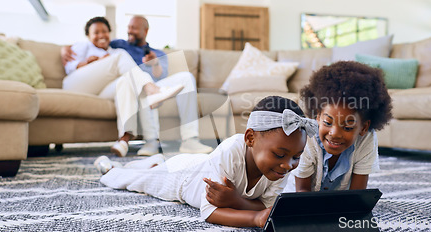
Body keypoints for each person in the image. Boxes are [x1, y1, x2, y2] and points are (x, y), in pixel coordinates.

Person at [93, 96, 318, 228]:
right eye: (280, 155)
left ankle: (155, 162)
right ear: (250, 138)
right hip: (182, 179)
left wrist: (236, 200)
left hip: (203, 163)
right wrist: (254, 218)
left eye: (296, 157)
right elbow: (209, 211)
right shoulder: (231, 151)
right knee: (133, 180)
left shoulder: (280, 166)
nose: (289, 165)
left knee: (159, 166)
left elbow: (266, 205)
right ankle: (109, 168)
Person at [62, 15, 213, 156]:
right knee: (131, 70)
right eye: (128, 27)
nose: (129, 31)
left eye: (134, 28)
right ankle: (150, 93)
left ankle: (188, 140)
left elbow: (161, 76)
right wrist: (65, 51)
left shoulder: (154, 53)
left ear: (145, 31)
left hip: (136, 83)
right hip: (78, 83)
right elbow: (71, 55)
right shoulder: (118, 46)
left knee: (184, 77)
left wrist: (155, 65)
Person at [286, 61, 392, 192]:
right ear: (318, 116)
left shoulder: (367, 138)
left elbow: (357, 194)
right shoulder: (307, 136)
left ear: (364, 127)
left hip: (338, 201)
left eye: (347, 127)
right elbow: (302, 192)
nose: (335, 133)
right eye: (327, 123)